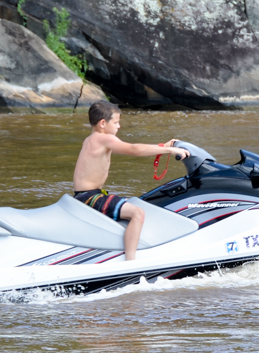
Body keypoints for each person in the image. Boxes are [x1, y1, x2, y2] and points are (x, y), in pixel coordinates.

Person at [73, 100, 189, 261]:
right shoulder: (104, 138)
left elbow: (137, 147)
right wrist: (169, 150)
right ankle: (130, 262)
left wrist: (162, 146)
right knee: (137, 213)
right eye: (116, 122)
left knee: (134, 204)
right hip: (90, 197)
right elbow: (134, 149)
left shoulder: (91, 139)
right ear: (102, 123)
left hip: (85, 195)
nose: (118, 126)